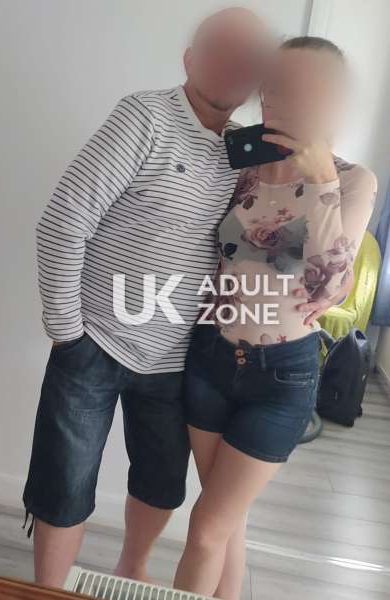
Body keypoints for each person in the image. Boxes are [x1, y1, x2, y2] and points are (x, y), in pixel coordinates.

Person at [22, 7, 272, 588]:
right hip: (95, 342)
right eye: (221, 49)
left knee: (161, 483)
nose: (234, 64)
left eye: (250, 58)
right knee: (65, 482)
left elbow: (304, 186)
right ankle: (48, 591)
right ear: (190, 59)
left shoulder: (245, 148)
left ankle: (130, 570)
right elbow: (63, 222)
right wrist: (67, 331)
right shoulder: (146, 116)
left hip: (176, 358)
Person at [175, 37, 377, 600]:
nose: (287, 97)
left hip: (281, 374)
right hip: (210, 358)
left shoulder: (352, 180)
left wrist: (322, 182)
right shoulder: (240, 162)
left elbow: (329, 288)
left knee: (206, 528)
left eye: (308, 87)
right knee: (224, 521)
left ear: (334, 98)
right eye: (278, 84)